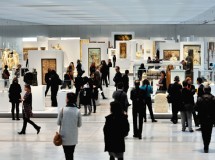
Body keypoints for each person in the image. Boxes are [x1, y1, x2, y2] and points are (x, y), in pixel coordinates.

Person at [57, 92, 82, 160]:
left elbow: (58, 123)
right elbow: (79, 125)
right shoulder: (77, 111)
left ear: (67, 99)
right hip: (73, 137)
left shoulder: (62, 110)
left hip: (64, 136)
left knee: (67, 154)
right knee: (71, 153)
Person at [195, 86, 215, 153]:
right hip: (211, 118)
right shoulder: (213, 98)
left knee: (204, 132)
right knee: (209, 132)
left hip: (202, 118)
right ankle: (207, 145)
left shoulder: (200, 98)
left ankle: (205, 145)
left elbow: (196, 108)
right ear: (210, 90)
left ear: (204, 90)